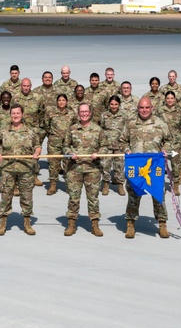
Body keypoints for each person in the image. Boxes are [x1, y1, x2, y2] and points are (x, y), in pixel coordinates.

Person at [119, 96, 172, 239]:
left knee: (158, 194)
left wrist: (165, 150)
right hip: (136, 167)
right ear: (138, 108)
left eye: (147, 107)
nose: (144, 110)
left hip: (154, 167)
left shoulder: (160, 124)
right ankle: (130, 223)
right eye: (141, 108)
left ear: (152, 108)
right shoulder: (130, 123)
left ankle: (162, 224)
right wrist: (126, 150)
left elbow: (169, 140)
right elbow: (122, 140)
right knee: (133, 195)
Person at [0, 104, 42, 236]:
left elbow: (38, 145)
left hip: (26, 169)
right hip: (8, 169)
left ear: (22, 114)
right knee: (6, 196)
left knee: (26, 197)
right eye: (13, 113)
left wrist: (36, 152)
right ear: (10, 115)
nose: (16, 115)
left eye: (18, 113)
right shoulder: (3, 131)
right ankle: (2, 222)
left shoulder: (30, 131)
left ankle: (27, 222)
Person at [63, 103, 107, 237]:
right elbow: (65, 146)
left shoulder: (98, 129)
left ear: (91, 112)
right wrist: (70, 153)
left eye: (86, 111)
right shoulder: (72, 129)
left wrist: (99, 153)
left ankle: (94, 224)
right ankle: (71, 223)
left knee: (93, 198)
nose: (84, 114)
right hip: (74, 168)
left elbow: (104, 146)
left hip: (92, 169)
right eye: (81, 112)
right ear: (78, 113)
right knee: (74, 198)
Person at [44, 93, 75, 195]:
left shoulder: (71, 113)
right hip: (54, 142)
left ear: (66, 102)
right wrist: (53, 135)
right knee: (53, 164)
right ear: (57, 102)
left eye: (63, 100)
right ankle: (53, 185)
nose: (61, 102)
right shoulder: (51, 113)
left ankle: (68, 184)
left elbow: (74, 126)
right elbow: (46, 125)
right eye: (59, 100)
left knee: (68, 164)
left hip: (67, 143)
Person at [98, 95, 128, 196]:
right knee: (105, 165)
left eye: (116, 104)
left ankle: (120, 185)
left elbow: (126, 130)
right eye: (112, 104)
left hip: (119, 144)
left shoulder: (124, 116)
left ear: (119, 105)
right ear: (109, 104)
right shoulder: (104, 115)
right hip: (107, 144)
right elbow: (101, 128)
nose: (114, 106)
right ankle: (106, 185)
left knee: (119, 165)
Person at [159, 90, 181, 195]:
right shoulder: (160, 111)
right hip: (163, 142)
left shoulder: (180, 111)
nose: (170, 100)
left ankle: (175, 186)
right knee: (161, 165)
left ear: (175, 99)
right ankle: (161, 185)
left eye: (172, 98)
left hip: (176, 142)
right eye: (168, 98)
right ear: (165, 99)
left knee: (176, 165)